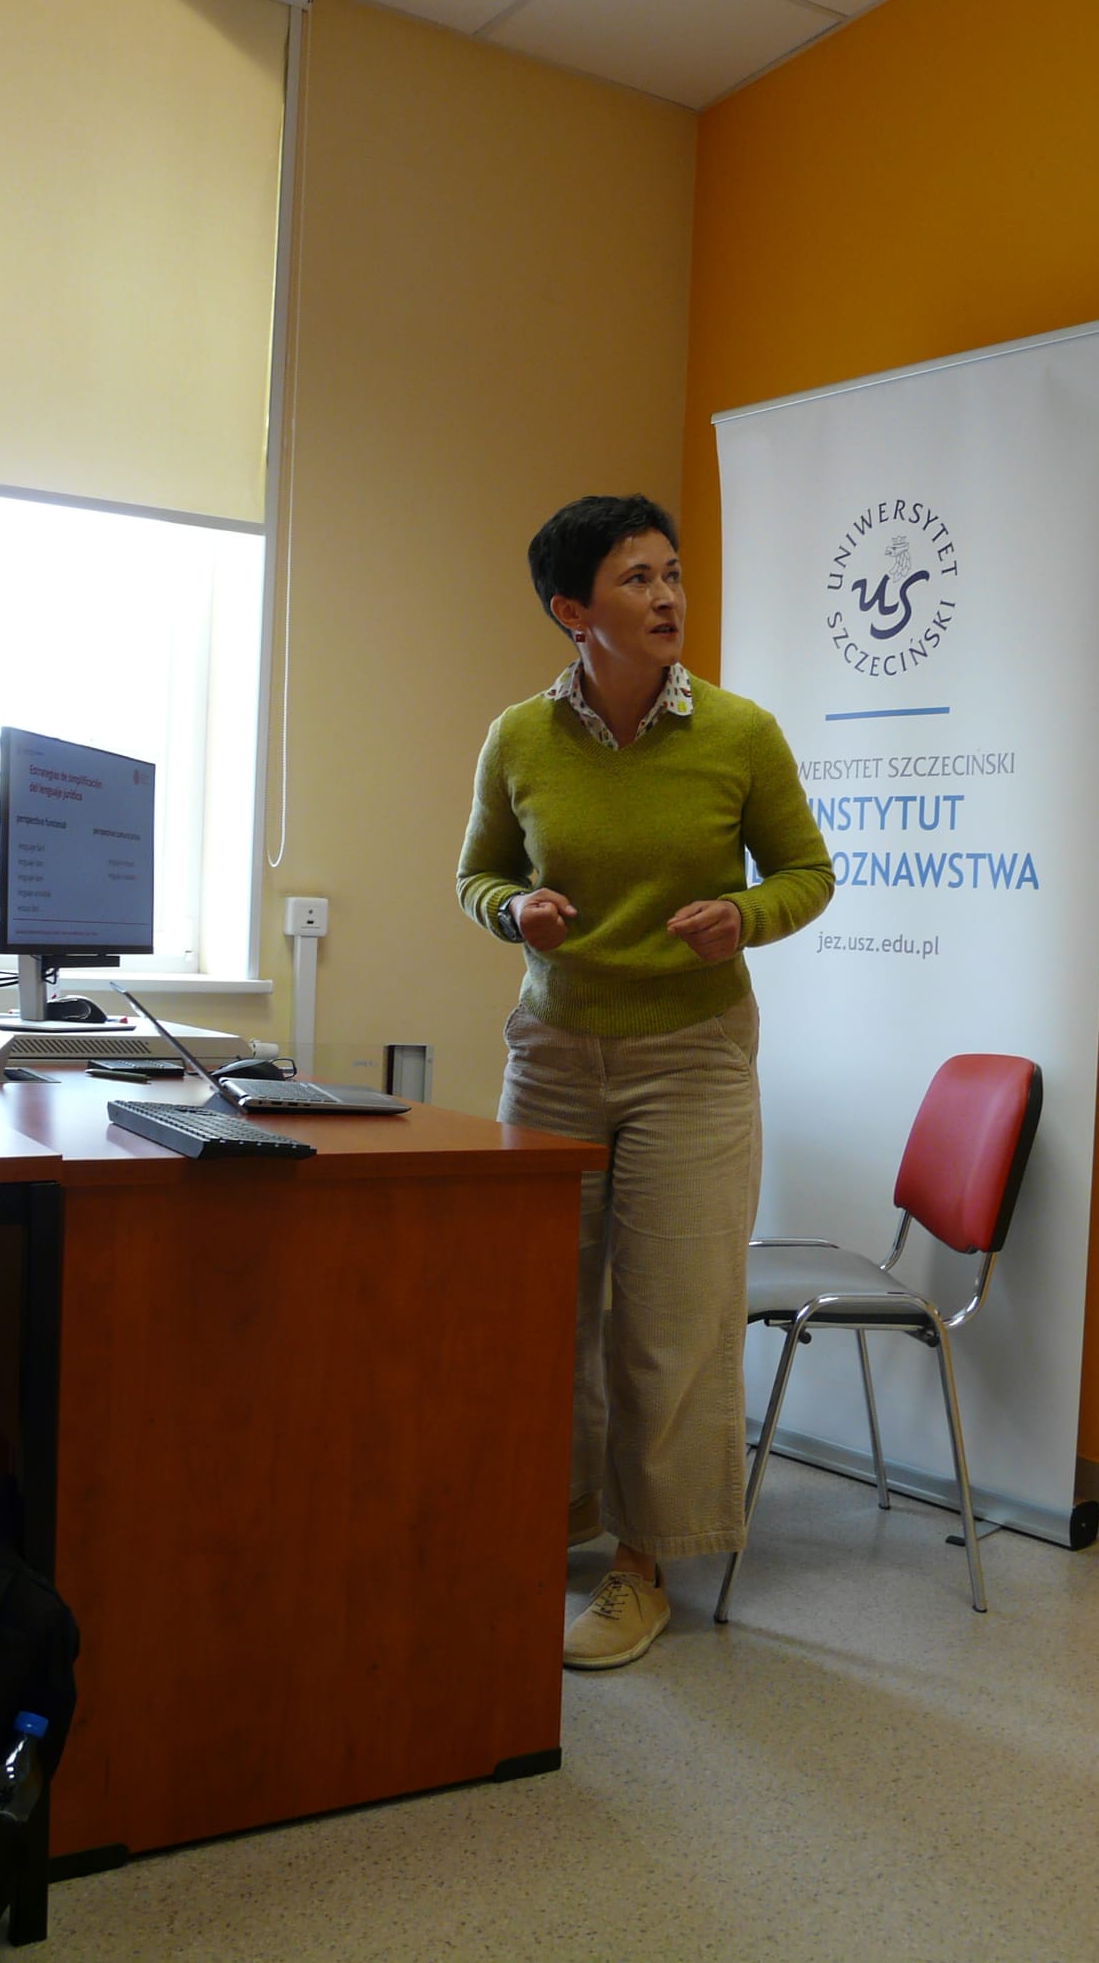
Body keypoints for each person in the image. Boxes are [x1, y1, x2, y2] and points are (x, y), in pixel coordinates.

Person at [457, 493, 833, 1671]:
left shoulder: (740, 732)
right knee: (542, 1310)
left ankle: (644, 1560)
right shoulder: (519, 737)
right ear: (573, 610)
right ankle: (556, 1513)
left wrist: (745, 915)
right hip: (554, 1054)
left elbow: (808, 870)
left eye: (671, 573)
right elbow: (476, 875)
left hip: (694, 1057)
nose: (668, 596)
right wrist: (513, 909)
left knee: (670, 1322)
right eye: (637, 579)